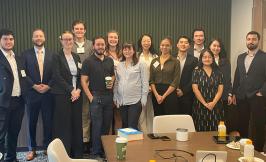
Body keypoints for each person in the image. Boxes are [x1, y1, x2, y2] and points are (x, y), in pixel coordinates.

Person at [22, 29, 54, 160]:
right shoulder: (25, 54)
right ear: (32, 38)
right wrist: (34, 86)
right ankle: (32, 149)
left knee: (48, 122)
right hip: (32, 94)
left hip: (48, 93)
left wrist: (49, 86)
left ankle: (47, 147)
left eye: (40, 36)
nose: (38, 38)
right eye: (36, 36)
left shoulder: (52, 55)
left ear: (44, 38)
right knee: (31, 123)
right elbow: (23, 73)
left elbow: (55, 74)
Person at [81, 36, 114, 159]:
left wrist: (112, 81)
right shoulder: (88, 61)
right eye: (98, 44)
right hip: (95, 97)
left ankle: (104, 150)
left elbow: (113, 75)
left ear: (105, 46)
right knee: (96, 126)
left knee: (106, 126)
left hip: (108, 97)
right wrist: (90, 97)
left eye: (102, 44)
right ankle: (95, 153)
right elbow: (83, 81)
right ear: (93, 46)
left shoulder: (109, 60)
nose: (100, 46)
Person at [233, 31, 266, 152]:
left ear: (258, 41)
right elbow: (237, 76)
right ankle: (242, 147)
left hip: (258, 96)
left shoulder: (264, 57)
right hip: (242, 96)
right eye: (249, 39)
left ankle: (258, 150)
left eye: (254, 39)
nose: (251, 41)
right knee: (242, 123)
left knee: (259, 124)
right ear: (246, 40)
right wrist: (234, 92)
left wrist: (262, 91)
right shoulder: (241, 57)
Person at [51, 31, 83, 158]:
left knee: (76, 124)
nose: (68, 42)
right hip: (62, 95)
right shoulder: (56, 56)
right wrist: (71, 90)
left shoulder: (77, 57)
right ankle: (64, 155)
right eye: (66, 39)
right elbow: (57, 76)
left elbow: (80, 76)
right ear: (61, 40)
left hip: (77, 96)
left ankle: (77, 154)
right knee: (64, 125)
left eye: (70, 39)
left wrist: (79, 90)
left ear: (73, 40)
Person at [0, 29, 28, 162]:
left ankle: (11, 158)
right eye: (5, 39)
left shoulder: (18, 58)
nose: (8, 41)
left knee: (13, 133)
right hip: (3, 102)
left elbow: (23, 77)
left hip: (18, 101)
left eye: (11, 39)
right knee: (0, 135)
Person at [114, 42, 149, 130]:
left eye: (129, 49)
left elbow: (145, 82)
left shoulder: (141, 64)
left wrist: (144, 97)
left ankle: (133, 144)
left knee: (132, 126)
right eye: (125, 49)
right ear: (122, 51)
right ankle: (125, 144)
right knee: (124, 126)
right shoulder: (119, 65)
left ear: (134, 51)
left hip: (135, 101)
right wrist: (115, 96)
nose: (127, 51)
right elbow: (117, 82)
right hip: (122, 101)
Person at [71, 20, 93, 153]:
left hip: (88, 84)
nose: (79, 31)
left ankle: (85, 141)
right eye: (76, 29)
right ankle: (75, 141)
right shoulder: (68, 43)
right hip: (72, 86)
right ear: (73, 30)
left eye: (81, 29)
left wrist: (87, 83)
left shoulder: (91, 45)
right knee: (74, 114)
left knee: (86, 113)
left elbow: (93, 64)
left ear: (85, 30)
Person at [208, 38, 238, 133]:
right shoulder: (205, 60)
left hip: (223, 95)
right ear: (209, 47)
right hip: (209, 95)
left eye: (218, 46)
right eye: (214, 45)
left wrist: (230, 93)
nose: (216, 48)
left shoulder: (225, 61)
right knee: (210, 119)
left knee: (222, 120)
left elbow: (228, 79)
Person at [192, 49, 224, 131]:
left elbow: (220, 90)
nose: (207, 59)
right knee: (200, 129)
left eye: (209, 57)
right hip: (200, 105)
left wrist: (213, 103)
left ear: (213, 58)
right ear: (201, 59)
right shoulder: (196, 71)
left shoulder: (218, 72)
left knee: (216, 129)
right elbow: (195, 89)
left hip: (216, 105)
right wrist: (205, 104)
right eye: (204, 57)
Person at [150, 37, 180, 116]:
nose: (164, 47)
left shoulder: (175, 61)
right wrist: (156, 95)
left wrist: (163, 96)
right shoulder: (154, 61)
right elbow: (151, 80)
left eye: (167, 45)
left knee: (170, 118)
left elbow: (176, 81)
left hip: (170, 93)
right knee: (158, 117)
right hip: (156, 93)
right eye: (162, 45)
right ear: (160, 46)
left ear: (171, 47)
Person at [137, 34, 158, 133]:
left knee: (151, 112)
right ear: (140, 42)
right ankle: (143, 133)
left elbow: (157, 74)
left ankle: (151, 133)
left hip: (152, 88)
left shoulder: (155, 56)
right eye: (144, 41)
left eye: (148, 41)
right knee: (141, 113)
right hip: (139, 89)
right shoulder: (136, 56)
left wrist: (151, 86)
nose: (146, 43)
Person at [175, 35, 198, 115]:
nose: (183, 44)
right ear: (177, 45)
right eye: (181, 42)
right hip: (171, 94)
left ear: (189, 46)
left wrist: (183, 91)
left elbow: (194, 78)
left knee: (186, 119)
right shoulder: (171, 58)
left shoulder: (194, 60)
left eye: (186, 43)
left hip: (187, 95)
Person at [105, 30, 122, 134]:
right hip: (108, 87)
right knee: (107, 116)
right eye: (111, 37)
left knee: (118, 116)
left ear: (118, 39)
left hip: (121, 87)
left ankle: (119, 139)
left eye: (115, 37)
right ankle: (108, 143)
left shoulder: (122, 52)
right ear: (107, 39)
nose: (113, 39)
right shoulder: (104, 53)